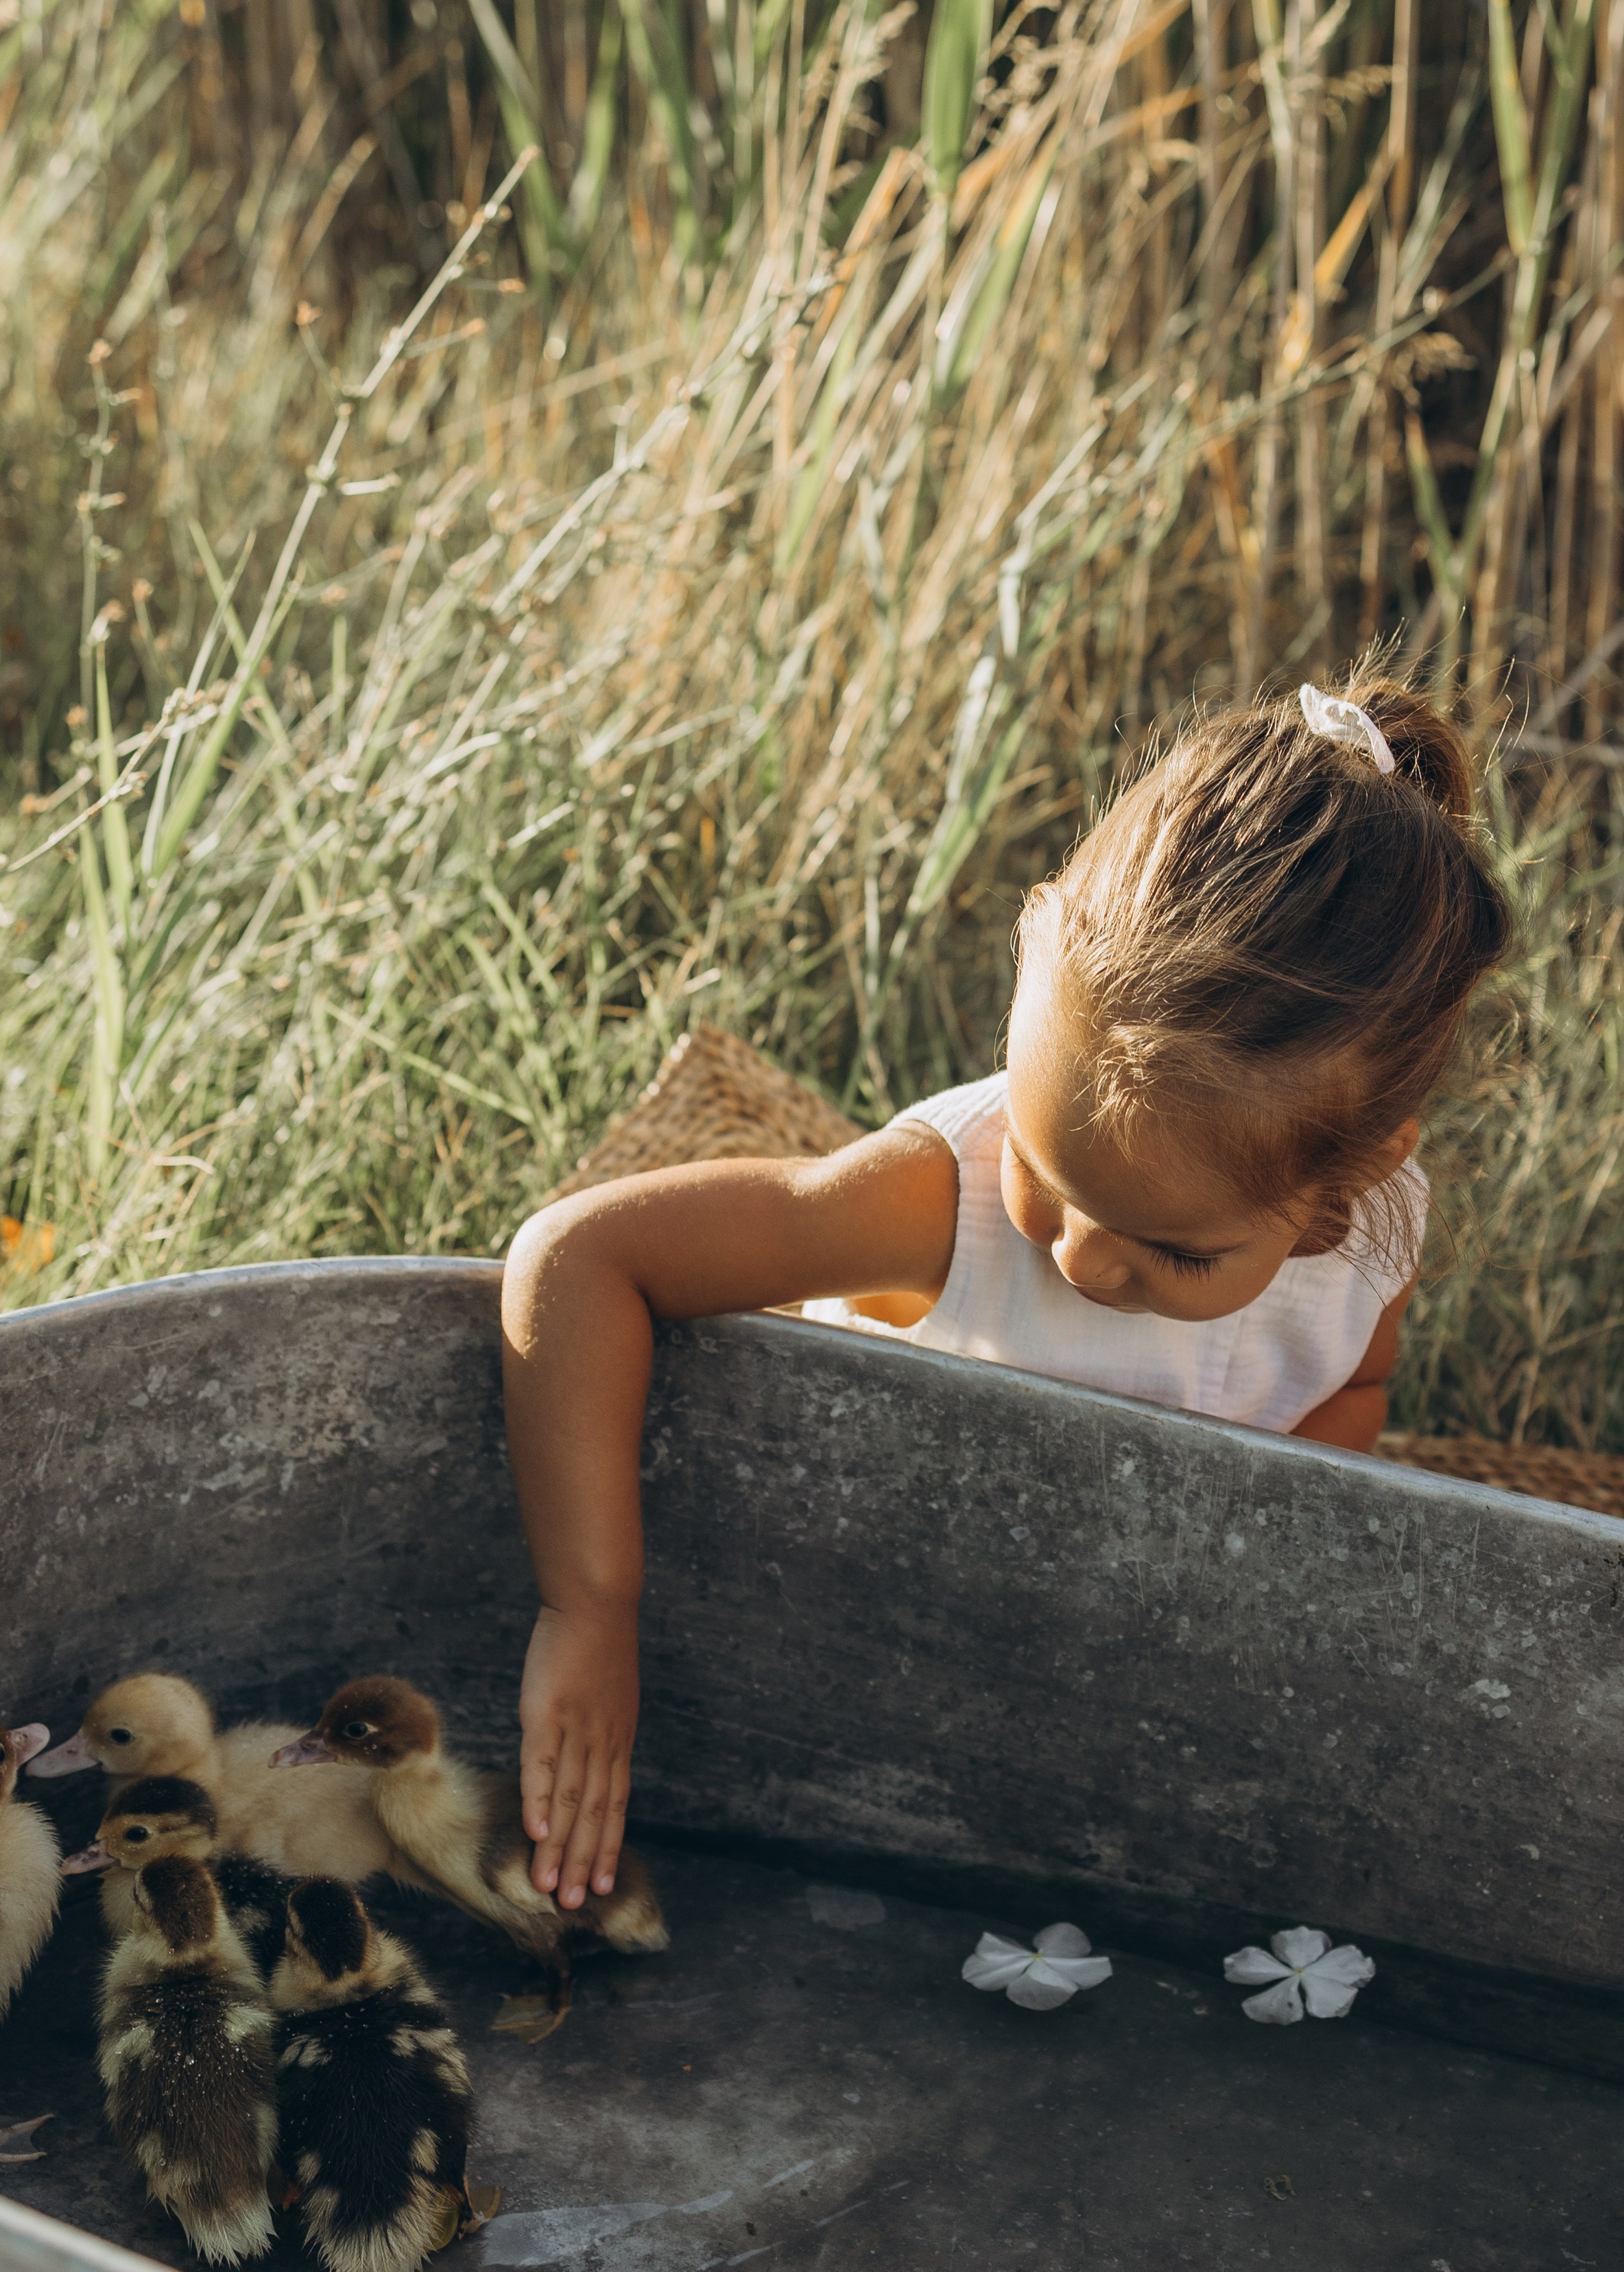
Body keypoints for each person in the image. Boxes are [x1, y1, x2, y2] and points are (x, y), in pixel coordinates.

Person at [501, 675, 1513, 1912]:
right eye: (1047, 1168)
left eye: (1174, 1251)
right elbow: (578, 1258)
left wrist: (1243, 1547)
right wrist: (590, 1607)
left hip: (1085, 1691)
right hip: (852, 1632)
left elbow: (1355, 1387)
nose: (1079, 1259)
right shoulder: (942, 1201)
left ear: (1346, 1189)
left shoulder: (1366, 1253)